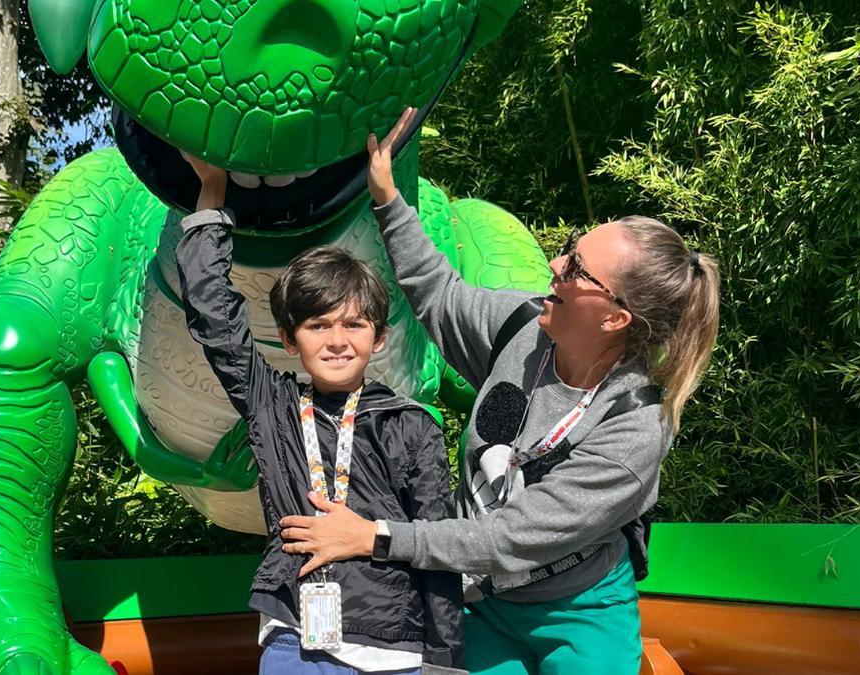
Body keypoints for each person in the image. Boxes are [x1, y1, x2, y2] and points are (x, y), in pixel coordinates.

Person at [279, 108, 721, 675]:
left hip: (578, 610)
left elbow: (509, 536)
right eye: (569, 247)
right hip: (483, 599)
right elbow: (438, 293)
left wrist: (373, 537)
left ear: (614, 317)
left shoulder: (633, 428)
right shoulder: (523, 325)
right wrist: (388, 200)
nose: (556, 264)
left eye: (578, 268)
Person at [173, 152, 465, 674]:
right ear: (289, 337)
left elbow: (437, 546)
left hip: (393, 649)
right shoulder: (275, 405)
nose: (337, 341)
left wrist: (445, 663)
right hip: (295, 640)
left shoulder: (410, 424)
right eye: (317, 326)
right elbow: (214, 314)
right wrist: (213, 193)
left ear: (379, 338)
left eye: (354, 326)